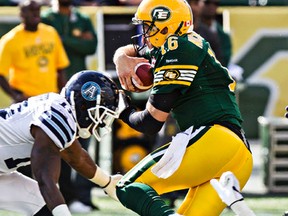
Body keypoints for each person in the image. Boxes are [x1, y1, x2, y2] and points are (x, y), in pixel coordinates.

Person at [112, 0, 253, 215]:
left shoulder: (176, 49)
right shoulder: (185, 43)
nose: (144, 34)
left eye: (148, 26)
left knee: (127, 187)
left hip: (215, 142)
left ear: (165, 26)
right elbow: (132, 50)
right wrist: (121, 56)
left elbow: (150, 122)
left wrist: (122, 109)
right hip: (237, 154)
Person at [0, 70, 123, 216]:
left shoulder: (60, 111)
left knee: (45, 207)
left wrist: (107, 182)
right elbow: (45, 179)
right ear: (84, 106)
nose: (101, 122)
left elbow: (77, 158)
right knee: (52, 204)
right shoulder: (59, 117)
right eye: (100, 114)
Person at [41, 0, 99, 212]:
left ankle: (83, 196)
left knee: (85, 143)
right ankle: (65, 195)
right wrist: (75, 39)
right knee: (61, 144)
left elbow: (92, 45)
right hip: (55, 91)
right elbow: (52, 47)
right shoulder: (47, 18)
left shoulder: (82, 18)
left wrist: (62, 39)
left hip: (83, 93)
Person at [0, 0, 69, 104]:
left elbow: (60, 67)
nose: (35, 13)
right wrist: (16, 96)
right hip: (26, 100)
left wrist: (62, 93)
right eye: (31, 10)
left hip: (50, 98)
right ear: (21, 14)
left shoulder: (51, 33)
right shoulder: (10, 40)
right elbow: (1, 73)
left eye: (37, 9)